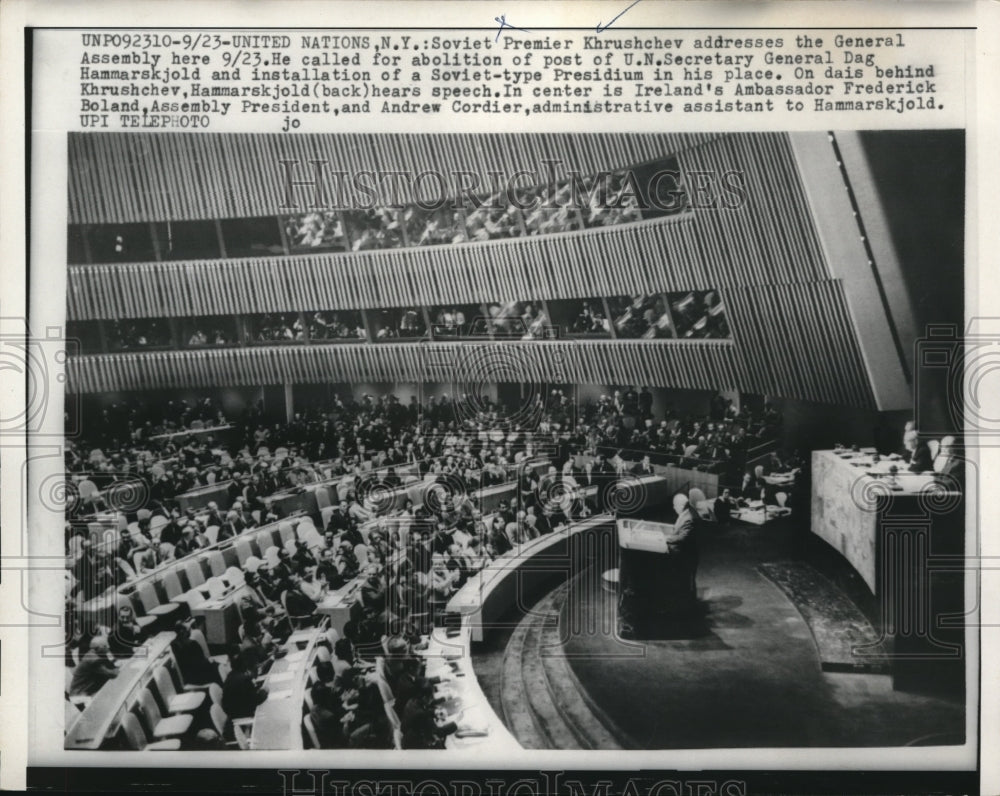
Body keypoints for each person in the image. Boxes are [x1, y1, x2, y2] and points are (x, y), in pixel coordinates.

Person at [221, 649, 268, 720]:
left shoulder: (232, 674)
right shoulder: (244, 679)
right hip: (241, 714)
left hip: (232, 711)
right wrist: (265, 691)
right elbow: (256, 700)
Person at [171, 621, 222, 686]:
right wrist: (211, 662)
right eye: (189, 630)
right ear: (182, 631)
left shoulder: (173, 645)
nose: (190, 631)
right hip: (200, 676)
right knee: (219, 668)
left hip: (189, 677)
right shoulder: (192, 644)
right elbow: (201, 662)